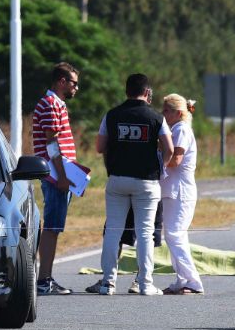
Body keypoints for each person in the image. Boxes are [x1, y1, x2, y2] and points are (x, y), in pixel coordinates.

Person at [97, 73, 173, 295]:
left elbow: (100, 146)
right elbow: (168, 148)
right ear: (147, 92)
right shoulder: (157, 118)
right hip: (147, 181)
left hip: (117, 179)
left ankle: (107, 283)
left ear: (126, 91)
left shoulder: (111, 115)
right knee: (145, 232)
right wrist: (161, 167)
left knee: (113, 230)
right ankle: (145, 283)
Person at [32, 62, 80, 295]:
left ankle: (46, 277)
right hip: (54, 175)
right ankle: (44, 280)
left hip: (60, 174)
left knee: (54, 226)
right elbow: (52, 144)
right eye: (74, 83)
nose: (76, 88)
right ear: (62, 81)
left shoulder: (55, 104)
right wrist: (61, 176)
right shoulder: (51, 104)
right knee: (51, 227)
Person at [159, 93, 204, 295]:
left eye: (166, 110)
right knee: (174, 236)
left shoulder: (181, 129)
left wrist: (153, 165)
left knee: (175, 235)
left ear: (178, 113)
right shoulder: (174, 128)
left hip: (181, 191)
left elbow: (176, 160)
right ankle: (182, 279)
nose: (163, 113)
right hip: (172, 189)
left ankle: (193, 281)